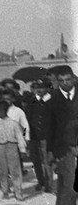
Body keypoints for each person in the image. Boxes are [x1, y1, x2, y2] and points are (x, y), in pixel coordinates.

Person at [43, 65, 78, 194]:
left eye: (68, 79)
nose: (65, 83)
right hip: (62, 146)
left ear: (73, 78)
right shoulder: (52, 100)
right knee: (69, 177)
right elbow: (50, 127)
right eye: (61, 80)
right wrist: (50, 150)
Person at [0, 98, 28, 201]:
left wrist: (22, 150)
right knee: (2, 171)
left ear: (3, 111)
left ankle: (18, 191)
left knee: (15, 170)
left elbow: (20, 137)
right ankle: (5, 191)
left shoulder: (14, 123)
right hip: (0, 148)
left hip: (12, 147)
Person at [26, 78, 54, 193]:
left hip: (46, 136)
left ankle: (49, 184)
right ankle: (40, 181)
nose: (39, 90)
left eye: (42, 88)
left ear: (47, 88)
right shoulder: (32, 101)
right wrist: (26, 136)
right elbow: (26, 119)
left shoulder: (52, 101)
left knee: (47, 161)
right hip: (33, 136)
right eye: (37, 88)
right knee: (36, 161)